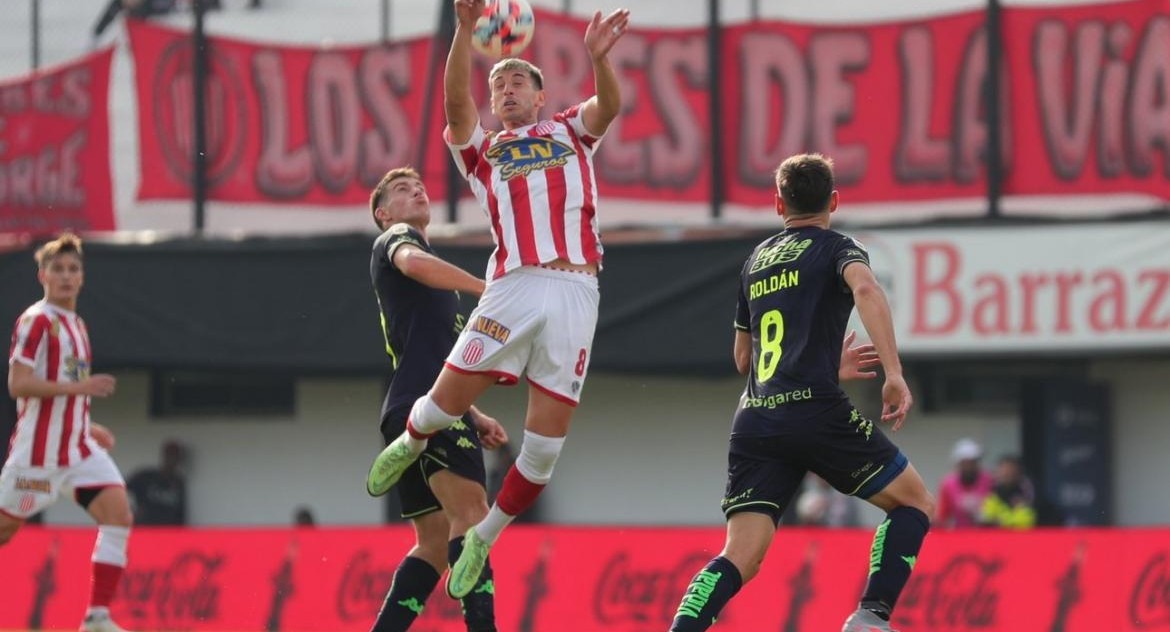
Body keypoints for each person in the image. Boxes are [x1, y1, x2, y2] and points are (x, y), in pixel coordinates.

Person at [366, 0, 631, 600]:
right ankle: (410, 441)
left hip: (576, 288)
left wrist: (598, 59)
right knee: (443, 402)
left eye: (517, 81)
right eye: (497, 83)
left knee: (541, 452)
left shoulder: (569, 131)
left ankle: (485, 534)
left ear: (540, 96)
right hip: (511, 283)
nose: (504, 89)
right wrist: (463, 32)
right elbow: (454, 106)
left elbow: (608, 105)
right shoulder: (483, 153)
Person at [664, 155, 935, 632]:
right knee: (914, 503)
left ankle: (682, 628)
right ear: (834, 200)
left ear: (777, 204)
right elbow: (867, 290)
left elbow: (744, 360)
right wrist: (893, 373)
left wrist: (822, 363)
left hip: (755, 420)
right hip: (814, 409)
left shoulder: (755, 260)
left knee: (740, 556)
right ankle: (870, 617)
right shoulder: (838, 248)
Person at [366, 167, 509, 632]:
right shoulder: (401, 239)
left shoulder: (431, 279)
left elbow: (441, 360)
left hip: (410, 408)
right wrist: (482, 288)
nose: (418, 190)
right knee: (472, 517)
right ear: (383, 213)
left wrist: (476, 412)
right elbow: (410, 262)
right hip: (428, 409)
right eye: (402, 190)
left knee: (431, 543)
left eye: (419, 185)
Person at [1, 233, 134, 632]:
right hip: (37, 459)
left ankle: (97, 617)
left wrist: (86, 425)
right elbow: (18, 385)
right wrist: (79, 390)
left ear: (82, 278)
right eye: (57, 269)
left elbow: (63, 390)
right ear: (42, 275)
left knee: (118, 514)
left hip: (77, 450)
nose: (66, 276)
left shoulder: (77, 325)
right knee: (4, 532)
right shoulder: (36, 320)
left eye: (73, 269)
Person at [935, 437, 994, 528]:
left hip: (985, 532)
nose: (969, 467)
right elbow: (942, 515)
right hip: (960, 533)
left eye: (973, 462)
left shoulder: (989, 481)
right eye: (965, 463)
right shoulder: (948, 484)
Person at [126, 440, 188, 525]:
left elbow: (180, 514)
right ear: (164, 455)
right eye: (170, 455)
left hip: (166, 532)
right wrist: (132, 511)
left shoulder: (178, 483)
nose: (172, 459)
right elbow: (122, 489)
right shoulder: (146, 476)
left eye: (175, 456)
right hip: (145, 529)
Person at [979, 454, 1035, 529]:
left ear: (1018, 472)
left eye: (1011, 470)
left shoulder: (1028, 494)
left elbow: (1025, 522)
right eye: (1004, 470)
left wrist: (1002, 522)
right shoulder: (993, 496)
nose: (1007, 473)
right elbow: (986, 519)